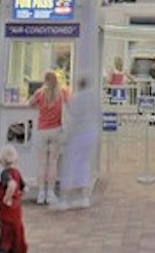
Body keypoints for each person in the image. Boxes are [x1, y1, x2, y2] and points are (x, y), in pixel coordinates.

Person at [57, 75, 99, 209]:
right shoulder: (93, 98)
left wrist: (65, 137)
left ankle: (65, 199)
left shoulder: (75, 99)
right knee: (84, 165)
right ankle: (83, 196)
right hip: (90, 134)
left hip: (77, 136)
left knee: (70, 166)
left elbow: (72, 120)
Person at [29, 69, 68, 204]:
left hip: (42, 130)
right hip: (56, 130)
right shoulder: (62, 93)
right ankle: (51, 193)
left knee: (42, 163)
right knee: (53, 163)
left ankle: (41, 193)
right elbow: (71, 101)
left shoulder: (40, 93)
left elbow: (30, 103)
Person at [0, 144, 27, 253]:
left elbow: (11, 184)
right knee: (16, 236)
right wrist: (18, 197)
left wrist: (7, 198)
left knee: (5, 240)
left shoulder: (5, 173)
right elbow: (25, 188)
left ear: (1, 160)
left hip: (6, 213)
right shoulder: (17, 173)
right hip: (16, 212)